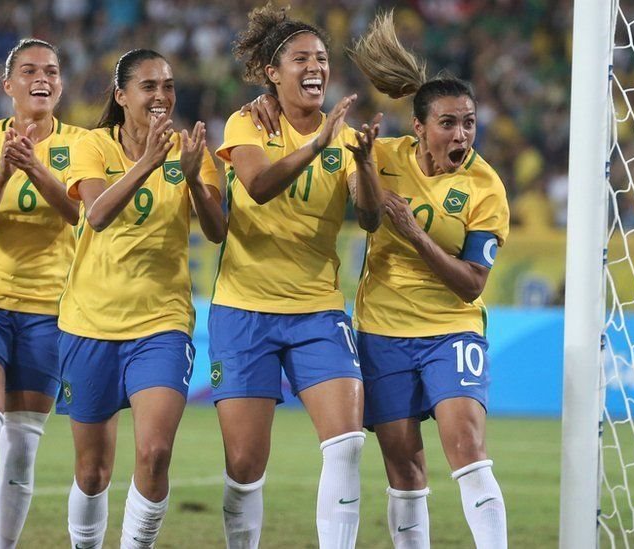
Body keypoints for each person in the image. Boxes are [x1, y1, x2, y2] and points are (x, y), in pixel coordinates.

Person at [209, 5, 385, 549]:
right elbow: (258, 186)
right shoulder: (247, 123)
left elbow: (371, 218)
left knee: (348, 443)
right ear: (273, 72)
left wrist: (368, 166)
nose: (315, 67)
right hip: (244, 308)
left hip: (317, 310)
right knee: (243, 463)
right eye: (301, 58)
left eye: (322, 58)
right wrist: (316, 144)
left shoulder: (346, 136)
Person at [349, 13, 510, 548]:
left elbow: (471, 284)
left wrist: (415, 234)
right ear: (419, 127)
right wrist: (365, 171)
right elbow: (366, 215)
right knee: (403, 463)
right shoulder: (385, 157)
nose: (461, 133)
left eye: (468, 122)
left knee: (465, 443)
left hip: (451, 329)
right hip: (382, 330)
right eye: (448, 123)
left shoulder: (486, 187)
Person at [57, 48, 226, 549]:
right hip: (89, 322)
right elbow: (98, 214)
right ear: (121, 95)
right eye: (149, 86)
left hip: (162, 324)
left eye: (168, 86)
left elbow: (216, 231)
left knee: (153, 454)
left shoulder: (191, 151)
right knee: (91, 472)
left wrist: (194, 177)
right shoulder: (91, 146)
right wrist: (150, 161)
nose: (161, 96)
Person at [0, 39, 86, 549]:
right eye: (28, 71)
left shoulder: (84, 145)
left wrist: (34, 166)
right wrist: (4, 169)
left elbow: (79, 214)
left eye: (51, 70)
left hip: (49, 309)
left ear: (61, 85)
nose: (41, 79)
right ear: (8, 85)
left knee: (23, 445)